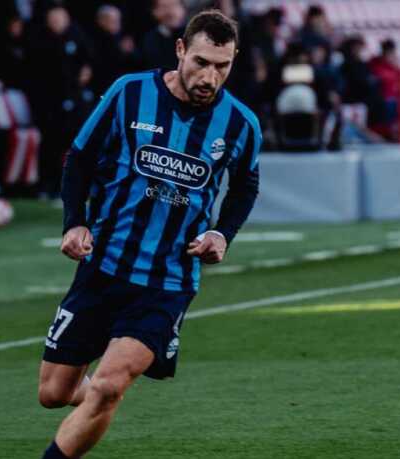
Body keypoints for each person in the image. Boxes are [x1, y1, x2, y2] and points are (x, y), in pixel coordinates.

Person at [38, 10, 261, 459]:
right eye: (201, 62)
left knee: (109, 384)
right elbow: (79, 159)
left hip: (168, 281)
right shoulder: (129, 93)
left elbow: (245, 185)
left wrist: (222, 233)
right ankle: (101, 398)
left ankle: (103, 398)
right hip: (103, 267)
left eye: (223, 66)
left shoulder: (241, 123)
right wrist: (74, 222)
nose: (210, 76)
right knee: (54, 393)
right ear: (180, 49)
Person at [27, 2, 95, 200]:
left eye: (60, 18)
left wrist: (86, 70)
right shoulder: (40, 41)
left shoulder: (78, 36)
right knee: (50, 144)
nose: (57, 22)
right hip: (50, 101)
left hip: (75, 98)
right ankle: (46, 186)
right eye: (53, 19)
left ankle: (76, 186)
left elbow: (89, 60)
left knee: (77, 143)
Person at [369, 39, 400, 143]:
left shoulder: (398, 72)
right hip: (378, 113)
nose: (392, 56)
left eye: (393, 53)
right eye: (389, 53)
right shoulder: (374, 67)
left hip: (393, 114)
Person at [140, 0, 187, 69]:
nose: (170, 12)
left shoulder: (194, 35)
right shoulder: (150, 40)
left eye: (174, 5)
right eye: (164, 7)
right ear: (154, 11)